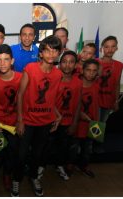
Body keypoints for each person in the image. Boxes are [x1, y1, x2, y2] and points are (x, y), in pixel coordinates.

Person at [11, 35, 62, 197]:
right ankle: (16, 180)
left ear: (59, 53)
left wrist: (57, 115)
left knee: (38, 154)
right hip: (27, 121)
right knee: (21, 154)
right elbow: (20, 95)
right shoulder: (30, 68)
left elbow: (51, 98)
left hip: (46, 122)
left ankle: (34, 177)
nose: (51, 54)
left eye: (55, 51)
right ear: (41, 53)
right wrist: (19, 120)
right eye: (47, 50)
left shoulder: (58, 74)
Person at [0, 44, 21, 193]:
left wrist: (21, 121)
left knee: (11, 153)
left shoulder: (21, 78)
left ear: (12, 61)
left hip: (15, 126)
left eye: (6, 59)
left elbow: (26, 101)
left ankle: (7, 175)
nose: (2, 63)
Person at [52, 50, 82, 180]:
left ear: (76, 65)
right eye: (64, 61)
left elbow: (79, 103)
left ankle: (59, 165)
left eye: (71, 62)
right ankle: (40, 168)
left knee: (63, 147)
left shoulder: (78, 82)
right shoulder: (54, 78)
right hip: (53, 121)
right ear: (60, 63)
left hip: (68, 121)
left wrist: (74, 122)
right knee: (46, 146)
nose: (67, 65)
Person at [70, 59, 100, 178]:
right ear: (82, 70)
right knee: (73, 146)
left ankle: (84, 165)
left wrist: (96, 121)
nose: (91, 73)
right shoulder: (76, 84)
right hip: (77, 122)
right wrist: (81, 115)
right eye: (88, 70)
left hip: (91, 123)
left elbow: (96, 105)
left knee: (87, 147)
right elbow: (72, 105)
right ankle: (70, 165)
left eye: (94, 71)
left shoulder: (96, 85)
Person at [97, 36, 123, 122]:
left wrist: (116, 101)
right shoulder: (94, 62)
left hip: (108, 100)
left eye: (113, 46)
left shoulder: (119, 65)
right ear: (102, 48)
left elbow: (117, 84)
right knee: (90, 125)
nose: (110, 49)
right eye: (107, 46)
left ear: (116, 48)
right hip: (95, 100)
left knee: (101, 125)